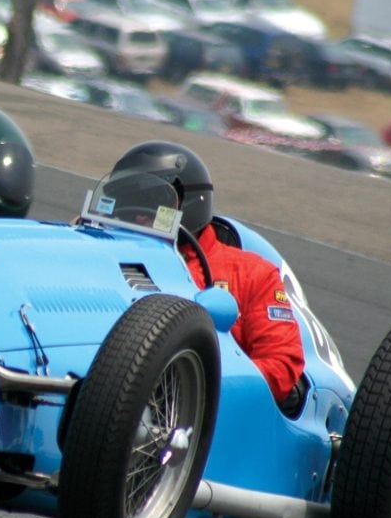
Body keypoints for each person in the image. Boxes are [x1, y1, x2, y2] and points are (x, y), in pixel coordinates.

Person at [109, 141, 306, 409]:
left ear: (187, 205)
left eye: (149, 205)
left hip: (206, 409)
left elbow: (281, 366)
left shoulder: (251, 273)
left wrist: (192, 384)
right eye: (127, 204)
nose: (136, 216)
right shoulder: (106, 256)